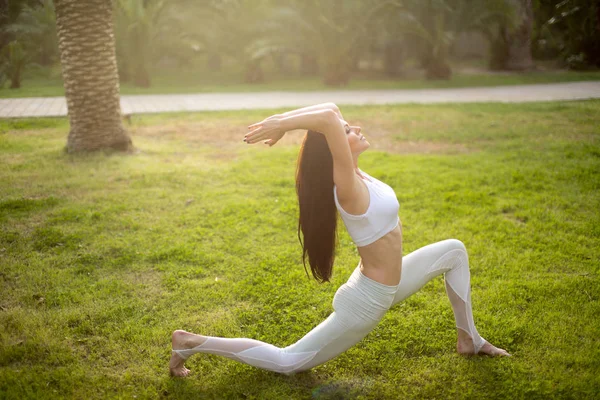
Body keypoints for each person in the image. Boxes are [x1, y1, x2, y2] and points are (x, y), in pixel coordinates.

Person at [169, 103, 510, 377]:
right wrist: (283, 123)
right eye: (347, 131)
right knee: (289, 362)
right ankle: (190, 342)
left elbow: (330, 110)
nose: (356, 128)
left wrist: (290, 122)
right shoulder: (346, 186)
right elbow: (329, 117)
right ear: (334, 150)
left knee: (454, 250)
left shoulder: (360, 175)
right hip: (368, 300)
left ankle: (469, 340)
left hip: (387, 282)